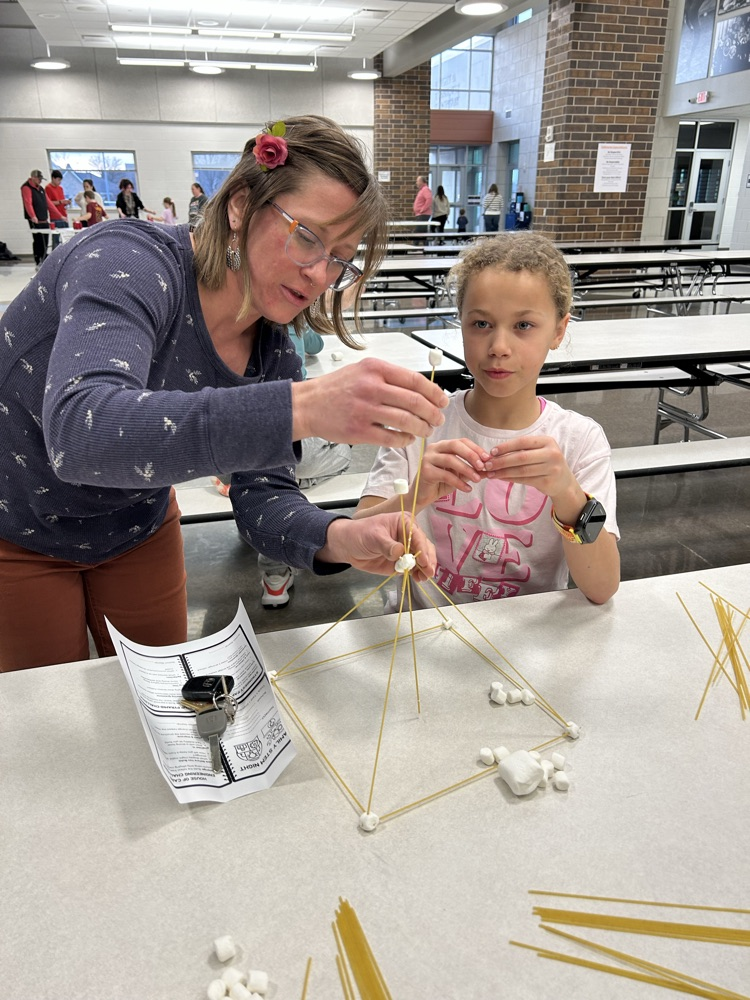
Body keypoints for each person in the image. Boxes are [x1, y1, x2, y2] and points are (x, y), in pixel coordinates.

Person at [0, 114, 447, 671]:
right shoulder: (126, 261)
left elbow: (263, 501)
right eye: (307, 236)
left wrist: (341, 537)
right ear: (240, 205)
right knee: (51, 711)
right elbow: (81, 432)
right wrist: (301, 408)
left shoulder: (270, 350)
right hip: (17, 523)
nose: (318, 274)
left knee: (166, 691)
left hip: (136, 523)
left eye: (340, 258)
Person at [356, 231, 620, 610]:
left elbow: (601, 587)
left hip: (528, 647)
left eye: (524, 326)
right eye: (481, 324)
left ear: (559, 331)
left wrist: (567, 494)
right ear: (460, 323)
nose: (498, 346)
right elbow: (358, 545)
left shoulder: (579, 440)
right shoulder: (420, 424)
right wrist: (416, 495)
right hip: (427, 639)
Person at [20, 169, 49, 267]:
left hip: (43, 218)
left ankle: (45, 259)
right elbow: (28, 203)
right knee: (38, 240)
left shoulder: (41, 188)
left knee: (46, 239)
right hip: (35, 219)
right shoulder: (26, 188)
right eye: (39, 179)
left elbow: (48, 202)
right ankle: (38, 260)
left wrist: (60, 216)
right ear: (33, 178)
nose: (40, 181)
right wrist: (33, 216)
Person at [45, 170, 71, 248]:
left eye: (60, 180)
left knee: (66, 238)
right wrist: (60, 202)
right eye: (58, 180)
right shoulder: (48, 188)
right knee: (56, 238)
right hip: (55, 216)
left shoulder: (60, 188)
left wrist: (65, 202)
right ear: (53, 178)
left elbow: (61, 201)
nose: (59, 182)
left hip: (63, 215)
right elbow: (49, 203)